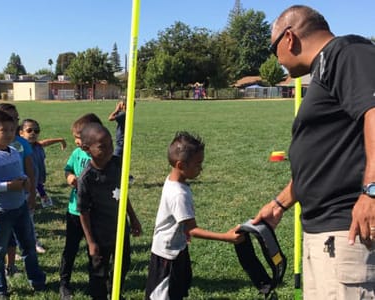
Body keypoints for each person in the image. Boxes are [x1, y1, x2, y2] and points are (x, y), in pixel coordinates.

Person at [252, 5, 375, 299]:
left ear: (289, 38)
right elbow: (328, 157)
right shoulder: (325, 67)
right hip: (323, 234)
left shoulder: (348, 52)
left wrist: (372, 192)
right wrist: (280, 204)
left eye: (273, 49)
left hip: (347, 231)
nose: (277, 59)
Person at [145, 132, 243, 299]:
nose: (201, 168)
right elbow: (193, 230)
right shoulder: (178, 194)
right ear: (181, 165)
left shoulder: (175, 181)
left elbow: (183, 224)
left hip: (178, 249)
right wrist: (226, 237)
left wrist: (183, 231)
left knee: (178, 291)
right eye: (198, 164)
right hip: (166, 256)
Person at [0, 110, 46, 297]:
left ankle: (36, 279)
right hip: (0, 211)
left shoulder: (14, 152)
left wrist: (24, 180)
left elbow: (19, 173)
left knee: (28, 246)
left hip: (20, 207)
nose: (9, 134)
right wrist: (8, 186)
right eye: (4, 130)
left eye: (12, 130)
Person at [78, 122, 142, 300]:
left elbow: (122, 194)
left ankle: (115, 292)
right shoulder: (87, 178)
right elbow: (83, 212)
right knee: (99, 270)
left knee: (123, 263)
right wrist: (91, 242)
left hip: (121, 229)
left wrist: (133, 219)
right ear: (86, 148)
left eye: (110, 145)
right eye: (102, 147)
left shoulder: (116, 164)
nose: (109, 150)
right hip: (99, 234)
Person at [59, 113, 102, 299]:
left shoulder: (102, 155)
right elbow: (68, 168)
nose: (76, 141)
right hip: (75, 211)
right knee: (70, 248)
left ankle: (96, 283)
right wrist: (69, 177)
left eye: (78, 137)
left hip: (96, 213)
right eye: (75, 137)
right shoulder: (76, 154)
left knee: (94, 250)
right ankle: (64, 283)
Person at [18, 118, 66, 254]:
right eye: (29, 130)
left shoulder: (37, 146)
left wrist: (60, 140)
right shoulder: (19, 149)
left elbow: (46, 142)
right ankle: (28, 243)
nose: (33, 133)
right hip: (23, 187)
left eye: (36, 130)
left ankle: (31, 242)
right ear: (21, 133)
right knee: (24, 218)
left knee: (29, 217)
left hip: (35, 185)